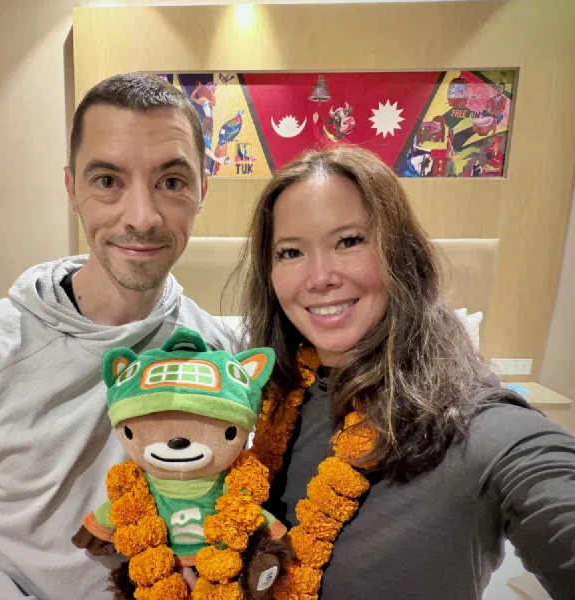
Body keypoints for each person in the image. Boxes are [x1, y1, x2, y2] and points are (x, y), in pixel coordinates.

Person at [0, 72, 232, 600]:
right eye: (108, 181)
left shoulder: (223, 354)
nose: (142, 216)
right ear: (72, 190)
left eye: (171, 182)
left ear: (203, 189)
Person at [233, 147, 575, 599]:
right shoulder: (252, 403)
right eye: (291, 251)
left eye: (350, 241)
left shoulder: (473, 425)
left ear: (402, 252)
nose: (319, 276)